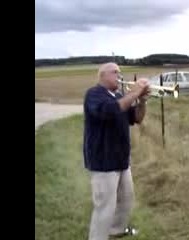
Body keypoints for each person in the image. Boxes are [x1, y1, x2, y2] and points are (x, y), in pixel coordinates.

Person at [83, 62, 150, 240]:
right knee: (105, 207)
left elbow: (136, 118)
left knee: (126, 200)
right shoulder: (94, 94)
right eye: (115, 72)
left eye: (120, 72)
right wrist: (134, 92)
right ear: (102, 76)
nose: (119, 76)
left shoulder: (119, 95)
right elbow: (110, 110)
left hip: (121, 160)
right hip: (103, 161)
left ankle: (116, 230)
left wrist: (142, 101)